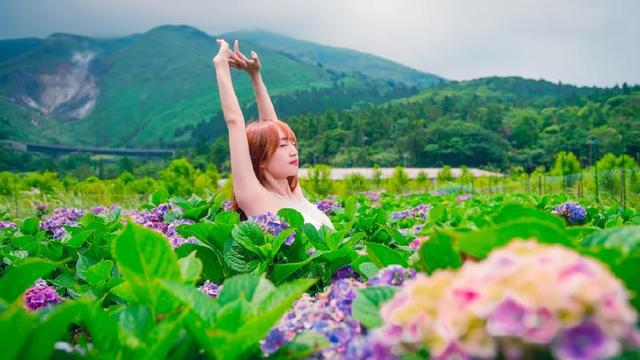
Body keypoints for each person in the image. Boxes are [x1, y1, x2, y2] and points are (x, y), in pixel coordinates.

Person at [212, 38, 334, 230]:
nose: (293, 151)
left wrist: (255, 76)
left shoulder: (294, 194)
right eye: (284, 146)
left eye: (293, 144)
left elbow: (272, 126)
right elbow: (234, 121)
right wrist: (221, 65)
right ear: (261, 159)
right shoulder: (256, 199)